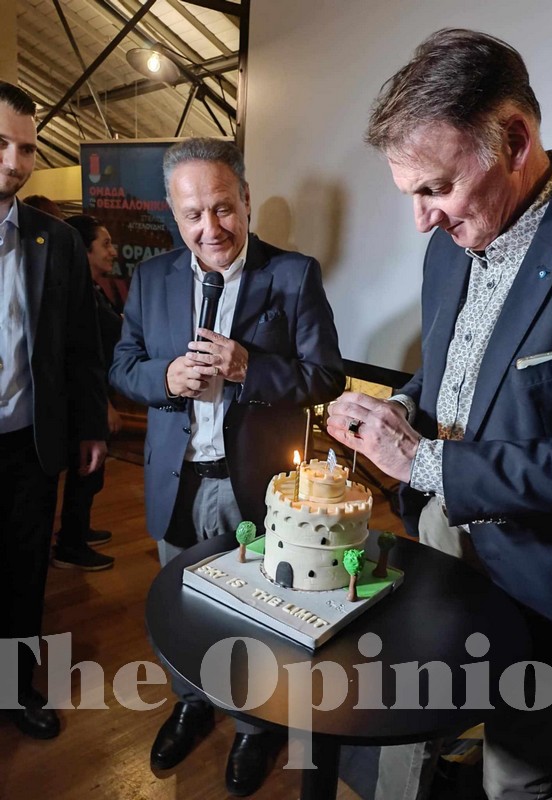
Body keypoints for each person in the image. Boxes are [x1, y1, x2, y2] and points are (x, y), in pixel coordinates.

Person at [327, 28, 552, 800]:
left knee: (517, 770)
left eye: (436, 188)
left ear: (514, 140)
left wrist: (420, 460)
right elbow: (456, 368)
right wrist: (402, 404)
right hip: (440, 535)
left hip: (548, 575)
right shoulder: (449, 243)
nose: (422, 220)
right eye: (410, 193)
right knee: (412, 721)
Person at [110, 137, 345, 795]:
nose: (210, 228)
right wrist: (164, 378)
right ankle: (191, 702)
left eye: (222, 208)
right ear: (173, 212)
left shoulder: (293, 275)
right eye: (192, 214)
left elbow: (326, 375)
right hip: (176, 482)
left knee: (257, 614)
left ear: (245, 198)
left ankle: (253, 726)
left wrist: (250, 369)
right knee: (181, 606)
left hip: (256, 487)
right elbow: (123, 367)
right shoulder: (152, 278)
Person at [0, 82, 107, 739]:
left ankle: (13, 689)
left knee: (23, 575)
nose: (14, 162)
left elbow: (80, 345)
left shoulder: (56, 241)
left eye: (26, 149)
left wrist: (91, 425)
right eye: (0, 145)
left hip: (28, 445)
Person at [49, 214, 123, 570]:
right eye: (105, 244)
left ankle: (77, 532)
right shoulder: (77, 298)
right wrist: (102, 405)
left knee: (91, 474)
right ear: (84, 250)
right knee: (85, 470)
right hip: (81, 404)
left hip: (93, 397)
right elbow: (80, 357)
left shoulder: (94, 291)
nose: (113, 251)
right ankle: (71, 544)